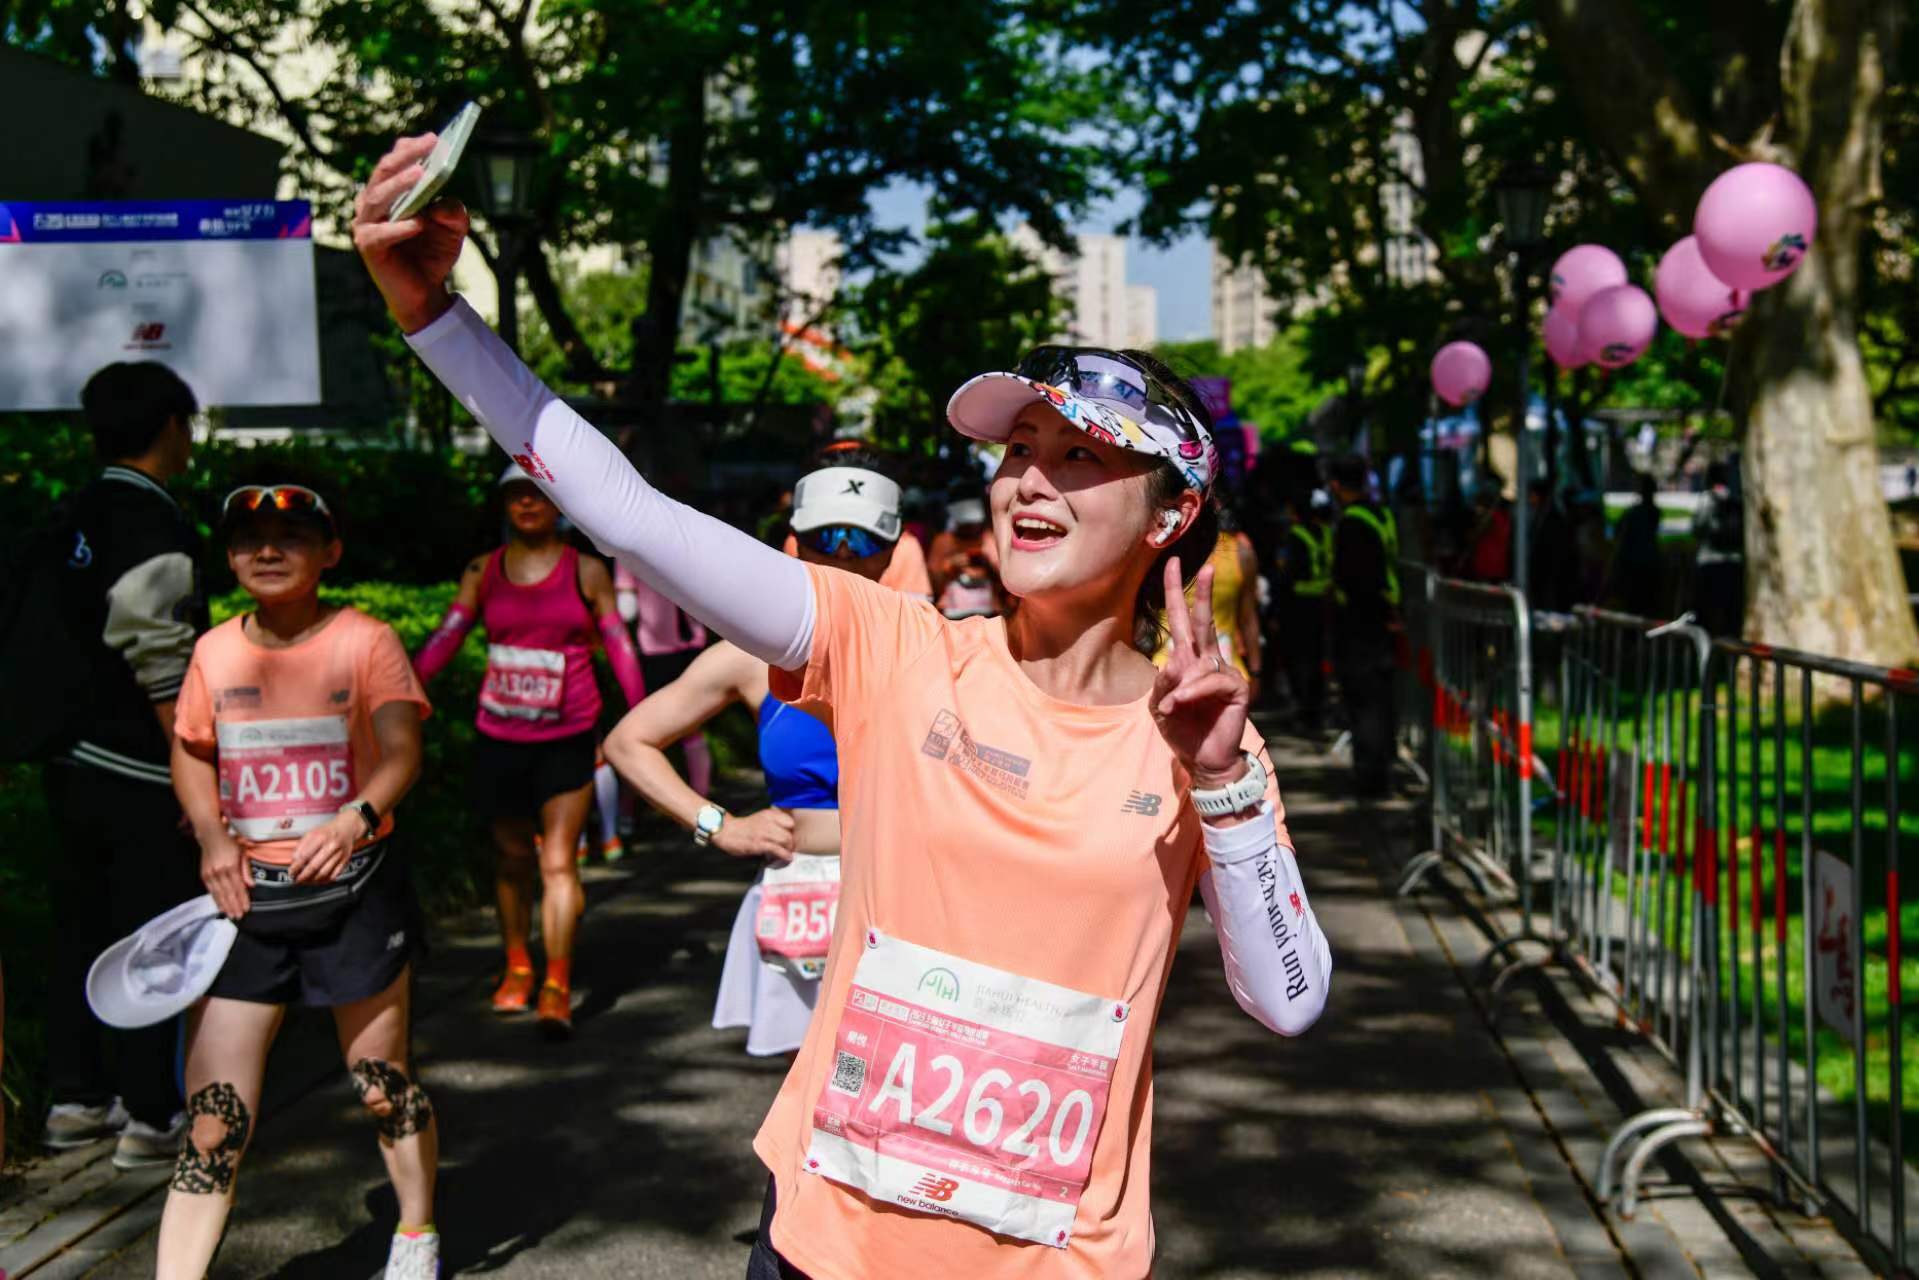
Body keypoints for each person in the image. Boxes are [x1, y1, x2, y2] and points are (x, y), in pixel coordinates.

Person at [357, 142, 1330, 1280]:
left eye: (1079, 456)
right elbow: (629, 513)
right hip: (825, 1240)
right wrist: (432, 317)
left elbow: (1289, 1001)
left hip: (1054, 1262)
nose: (1027, 480)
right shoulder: (893, 644)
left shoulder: (1202, 742)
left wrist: (1219, 780)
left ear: (1168, 516)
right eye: (1019, 449)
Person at [165, 484, 437, 1280]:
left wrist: (353, 818)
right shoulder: (216, 651)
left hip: (356, 893)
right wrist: (213, 835)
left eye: (291, 536)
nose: (268, 551)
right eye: (250, 538)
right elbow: (191, 747)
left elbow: (401, 750)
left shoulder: (366, 641)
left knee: (382, 1087)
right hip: (246, 902)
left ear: (330, 552)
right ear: (229, 558)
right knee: (213, 1123)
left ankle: (415, 1230)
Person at [607, 447, 909, 1056]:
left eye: (861, 539)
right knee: (801, 1092)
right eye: (825, 537)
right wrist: (719, 825)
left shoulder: (945, 646)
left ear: (892, 547)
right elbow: (628, 742)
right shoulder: (750, 658)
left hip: (904, 898)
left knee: (895, 1088)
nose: (842, 554)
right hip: (799, 897)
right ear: (794, 542)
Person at [41, 362, 207, 1166]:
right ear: (172, 426)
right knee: (153, 933)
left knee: (80, 924)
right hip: (140, 766)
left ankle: (74, 1100)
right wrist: (192, 770)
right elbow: (159, 654)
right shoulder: (149, 519)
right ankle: (151, 1113)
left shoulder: (69, 513)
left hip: (67, 759)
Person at [411, 464, 645, 1036]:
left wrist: (644, 715)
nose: (527, 503)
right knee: (512, 859)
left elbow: (618, 644)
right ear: (503, 505)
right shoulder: (483, 571)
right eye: (516, 494)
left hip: (567, 737)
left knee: (558, 861)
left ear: (557, 502)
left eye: (538, 492)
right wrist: (405, 692)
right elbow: (449, 634)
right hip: (501, 740)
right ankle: (518, 964)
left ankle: (556, 984)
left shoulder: (586, 571)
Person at [1328, 454, 1399, 798]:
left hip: (1361, 625)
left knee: (1365, 702)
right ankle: (1381, 769)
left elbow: (1356, 580)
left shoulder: (1353, 523)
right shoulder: (1381, 514)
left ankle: (1370, 777)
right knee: (1380, 700)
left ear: (1336, 485)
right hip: (1383, 620)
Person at [1154, 513, 1260, 680]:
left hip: (1172, 670)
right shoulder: (1158, 548)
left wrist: (1255, 671)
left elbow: (1248, 618)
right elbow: (1248, 619)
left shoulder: (1158, 547)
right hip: (1220, 670)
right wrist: (1255, 670)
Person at [1273, 491, 1332, 736]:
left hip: (1297, 607)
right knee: (1316, 658)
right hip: (1323, 603)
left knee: (1299, 661)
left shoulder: (1295, 536)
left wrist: (1276, 612)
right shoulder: (1326, 532)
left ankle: (1304, 712)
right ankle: (1316, 711)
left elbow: (1285, 576)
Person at [927, 494, 1005, 618]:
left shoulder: (989, 539)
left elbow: (1005, 580)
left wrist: (987, 564)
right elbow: (933, 582)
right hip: (952, 613)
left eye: (974, 523)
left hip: (988, 611)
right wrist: (949, 565)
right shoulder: (943, 541)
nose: (971, 528)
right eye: (967, 524)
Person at [1692, 460, 1745, 636]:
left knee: (1706, 613)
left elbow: (1697, 528)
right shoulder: (1737, 499)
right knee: (1730, 614)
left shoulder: (1707, 499)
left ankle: (1707, 645)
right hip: (1734, 562)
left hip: (1709, 562)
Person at [1605, 472, 1664, 618]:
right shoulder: (1654, 512)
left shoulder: (1634, 513)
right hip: (1648, 561)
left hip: (1634, 562)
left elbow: (1618, 533)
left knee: (1634, 603)